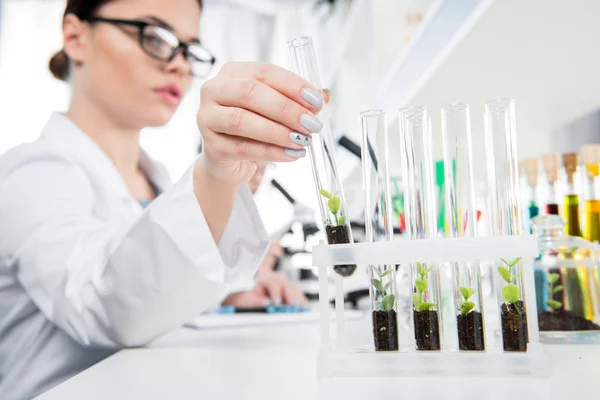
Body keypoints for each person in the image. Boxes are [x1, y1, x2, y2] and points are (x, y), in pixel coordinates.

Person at [0, 0, 327, 398]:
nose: (180, 65)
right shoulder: (29, 173)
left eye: (190, 48)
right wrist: (215, 178)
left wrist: (227, 297)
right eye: (154, 36)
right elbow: (104, 307)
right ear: (75, 37)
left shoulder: (156, 179)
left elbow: (154, 286)